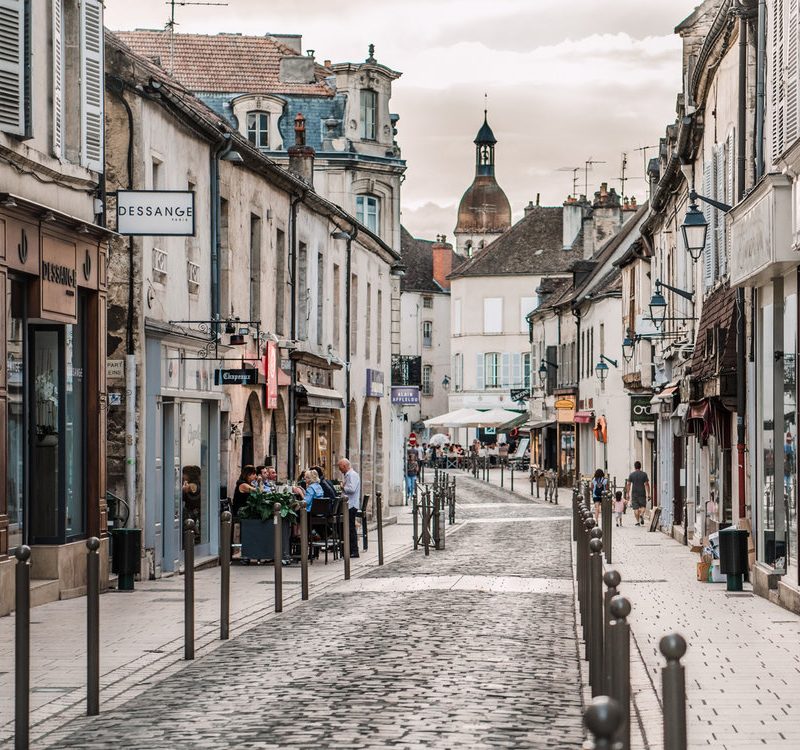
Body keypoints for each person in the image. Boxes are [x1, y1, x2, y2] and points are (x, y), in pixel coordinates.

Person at [338, 458, 361, 558]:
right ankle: (349, 550)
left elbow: (351, 489)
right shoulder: (349, 475)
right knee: (348, 528)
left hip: (351, 505)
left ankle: (354, 551)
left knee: (351, 528)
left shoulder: (352, 475)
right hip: (349, 504)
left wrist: (343, 487)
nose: (339, 469)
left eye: (340, 467)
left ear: (344, 466)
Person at [625, 460, 651, 526]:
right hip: (642, 492)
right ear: (640, 467)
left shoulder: (631, 475)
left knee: (636, 508)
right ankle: (642, 514)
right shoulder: (644, 474)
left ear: (634, 467)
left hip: (634, 493)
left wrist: (627, 493)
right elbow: (647, 484)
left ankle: (638, 521)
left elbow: (628, 484)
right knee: (643, 506)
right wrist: (649, 494)